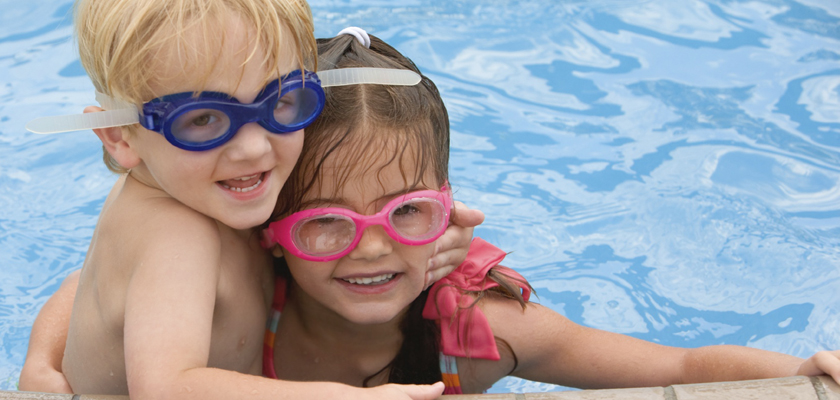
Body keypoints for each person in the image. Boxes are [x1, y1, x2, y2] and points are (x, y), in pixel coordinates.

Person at [257, 31, 840, 394]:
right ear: (269, 230)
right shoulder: (240, 303)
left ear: (447, 205)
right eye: (324, 220)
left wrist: (798, 372)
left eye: (406, 211)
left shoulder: (479, 334)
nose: (372, 247)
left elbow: (681, 367)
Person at [17, 0, 480, 398]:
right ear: (120, 135)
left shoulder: (196, 184)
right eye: (201, 120)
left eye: (282, 100)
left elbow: (84, 283)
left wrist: (43, 354)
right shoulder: (178, 236)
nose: (255, 148)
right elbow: (164, 389)